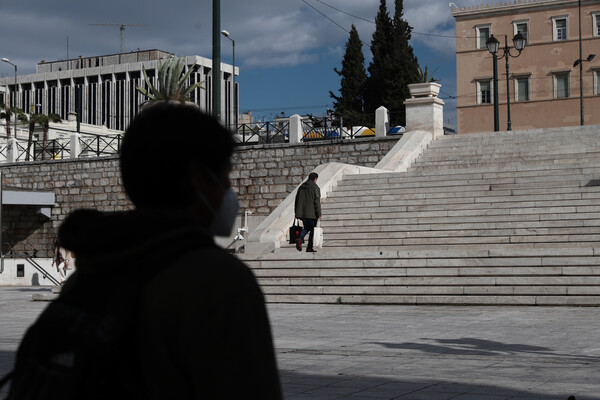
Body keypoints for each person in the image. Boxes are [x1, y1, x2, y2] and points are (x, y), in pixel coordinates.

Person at [56, 103, 282, 399]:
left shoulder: (88, 276)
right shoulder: (219, 283)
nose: (229, 188)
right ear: (198, 177)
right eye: (225, 174)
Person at [294, 172, 322, 253]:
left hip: (302, 214)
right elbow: (316, 202)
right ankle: (309, 247)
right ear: (315, 179)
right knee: (312, 230)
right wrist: (319, 214)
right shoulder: (315, 187)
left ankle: (300, 238)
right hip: (312, 214)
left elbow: (296, 201)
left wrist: (297, 213)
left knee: (306, 227)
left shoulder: (301, 187)